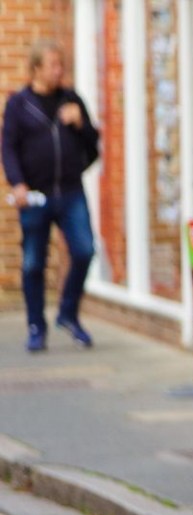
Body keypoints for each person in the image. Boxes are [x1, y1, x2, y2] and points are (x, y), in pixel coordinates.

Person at [3, 44, 100, 353]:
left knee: (84, 250)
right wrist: (17, 184)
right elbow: (8, 147)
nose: (59, 70)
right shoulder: (19, 104)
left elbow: (94, 145)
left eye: (61, 65)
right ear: (36, 69)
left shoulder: (72, 100)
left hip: (71, 192)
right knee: (33, 263)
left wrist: (81, 124)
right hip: (35, 196)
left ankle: (68, 313)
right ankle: (36, 327)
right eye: (53, 65)